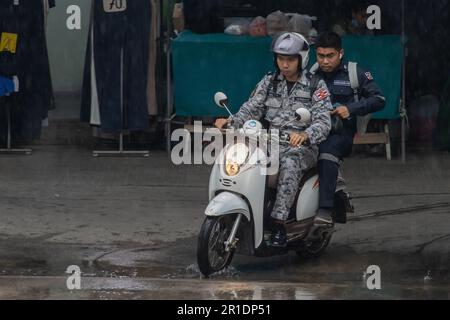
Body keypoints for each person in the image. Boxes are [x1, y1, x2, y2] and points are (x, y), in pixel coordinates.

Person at [215, 32, 333, 247]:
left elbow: (324, 122)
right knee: (241, 157)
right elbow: (252, 107)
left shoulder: (317, 86)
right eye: (281, 59)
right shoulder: (269, 82)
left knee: (289, 162)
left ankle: (278, 223)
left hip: (301, 147)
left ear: (302, 59)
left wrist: (306, 134)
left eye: (290, 59)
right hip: (269, 141)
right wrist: (231, 121)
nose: (284, 64)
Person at [311, 31, 386, 225]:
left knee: (326, 152)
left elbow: (379, 99)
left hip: (340, 133)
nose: (325, 61)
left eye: (330, 56)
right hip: (312, 129)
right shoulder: (310, 74)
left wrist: (350, 109)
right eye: (321, 56)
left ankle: (325, 210)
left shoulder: (355, 74)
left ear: (340, 53)